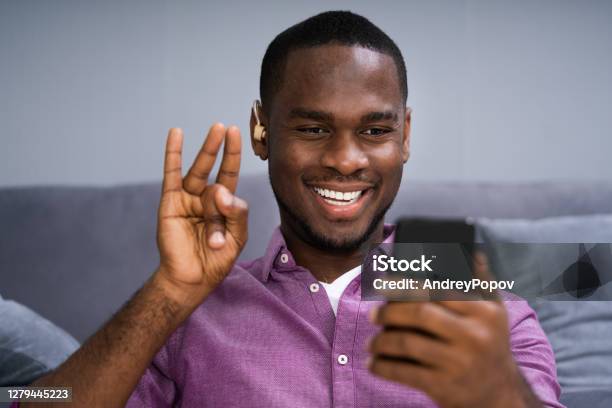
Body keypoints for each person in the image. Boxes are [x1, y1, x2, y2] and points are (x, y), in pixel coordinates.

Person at [23, 11, 563, 407]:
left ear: (405, 136)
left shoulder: (482, 305)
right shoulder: (188, 315)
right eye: (312, 128)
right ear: (262, 131)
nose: (346, 160)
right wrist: (169, 291)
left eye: (375, 131)